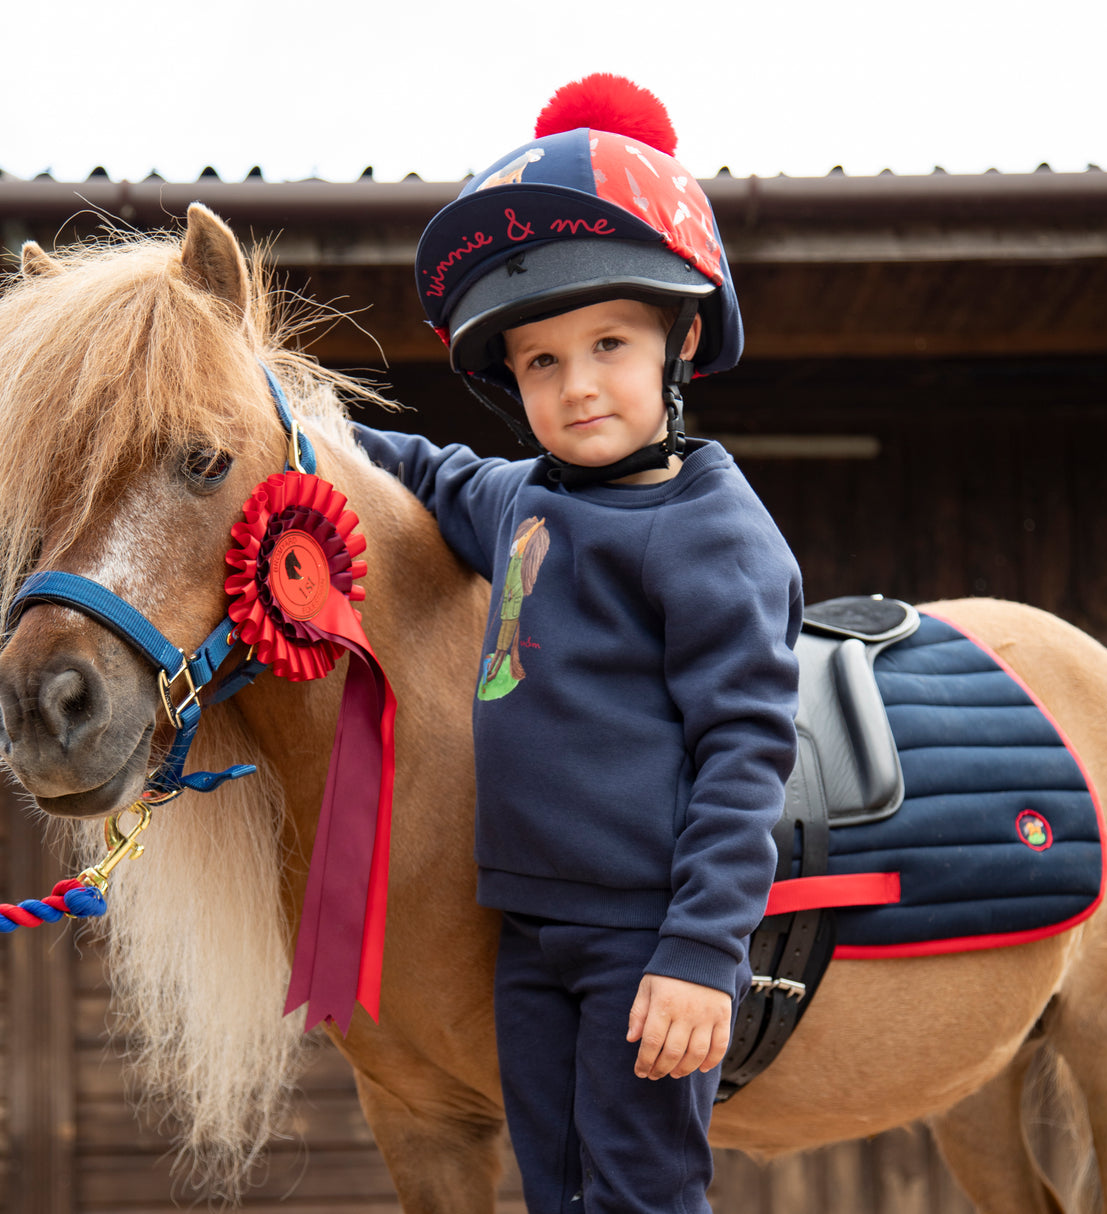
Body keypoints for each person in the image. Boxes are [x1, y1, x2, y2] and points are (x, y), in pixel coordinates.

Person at [351, 74, 801, 1214]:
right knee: (557, 1189)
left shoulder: (712, 530)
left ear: (680, 340)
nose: (577, 384)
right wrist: (291, 413)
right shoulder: (519, 500)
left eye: (607, 342)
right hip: (529, 933)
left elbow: (745, 749)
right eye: (540, 361)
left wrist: (701, 951)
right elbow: (428, 472)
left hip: (644, 931)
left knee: (640, 1191)